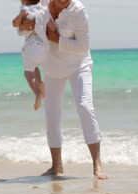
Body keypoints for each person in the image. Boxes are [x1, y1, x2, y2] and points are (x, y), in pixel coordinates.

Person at [19, 0, 107, 179]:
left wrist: (57, 39)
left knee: (85, 106)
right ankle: (56, 166)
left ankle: (97, 165)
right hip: (52, 67)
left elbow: (83, 46)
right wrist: (23, 25)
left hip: (78, 64)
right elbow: (24, 28)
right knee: (52, 114)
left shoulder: (78, 11)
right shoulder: (39, 3)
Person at [12, 0, 51, 111]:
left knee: (28, 72)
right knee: (36, 67)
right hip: (43, 47)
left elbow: (15, 23)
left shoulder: (25, 10)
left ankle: (38, 92)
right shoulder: (44, 10)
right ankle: (40, 83)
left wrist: (20, 15)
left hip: (30, 46)